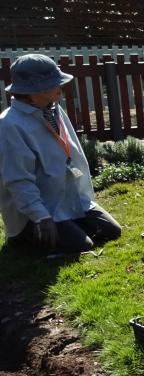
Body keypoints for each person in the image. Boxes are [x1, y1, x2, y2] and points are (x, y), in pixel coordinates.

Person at [0, 54, 121, 255]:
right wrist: (40, 216)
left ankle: (69, 226)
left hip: (68, 200)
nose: (61, 87)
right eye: (54, 84)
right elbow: (18, 180)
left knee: (111, 231)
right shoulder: (9, 125)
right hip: (37, 211)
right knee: (81, 246)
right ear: (34, 90)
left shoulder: (53, 108)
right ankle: (23, 239)